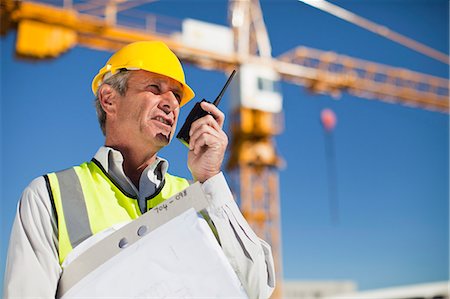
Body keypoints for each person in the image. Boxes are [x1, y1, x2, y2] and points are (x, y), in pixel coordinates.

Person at [3, 41, 275, 298]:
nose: (171, 103)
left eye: (177, 96)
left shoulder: (198, 195)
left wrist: (211, 179)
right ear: (109, 99)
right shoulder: (50, 196)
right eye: (155, 88)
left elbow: (258, 288)